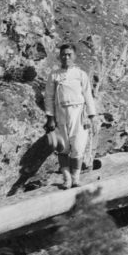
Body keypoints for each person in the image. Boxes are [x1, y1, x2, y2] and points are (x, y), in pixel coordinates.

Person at [41, 45, 100, 183]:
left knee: (78, 147)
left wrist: (92, 116)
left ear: (74, 56)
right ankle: (67, 178)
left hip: (78, 113)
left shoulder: (81, 74)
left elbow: (88, 95)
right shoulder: (54, 75)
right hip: (61, 112)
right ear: (59, 56)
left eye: (69, 54)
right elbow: (49, 97)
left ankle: (76, 178)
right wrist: (50, 118)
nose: (66, 57)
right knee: (63, 147)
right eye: (63, 54)